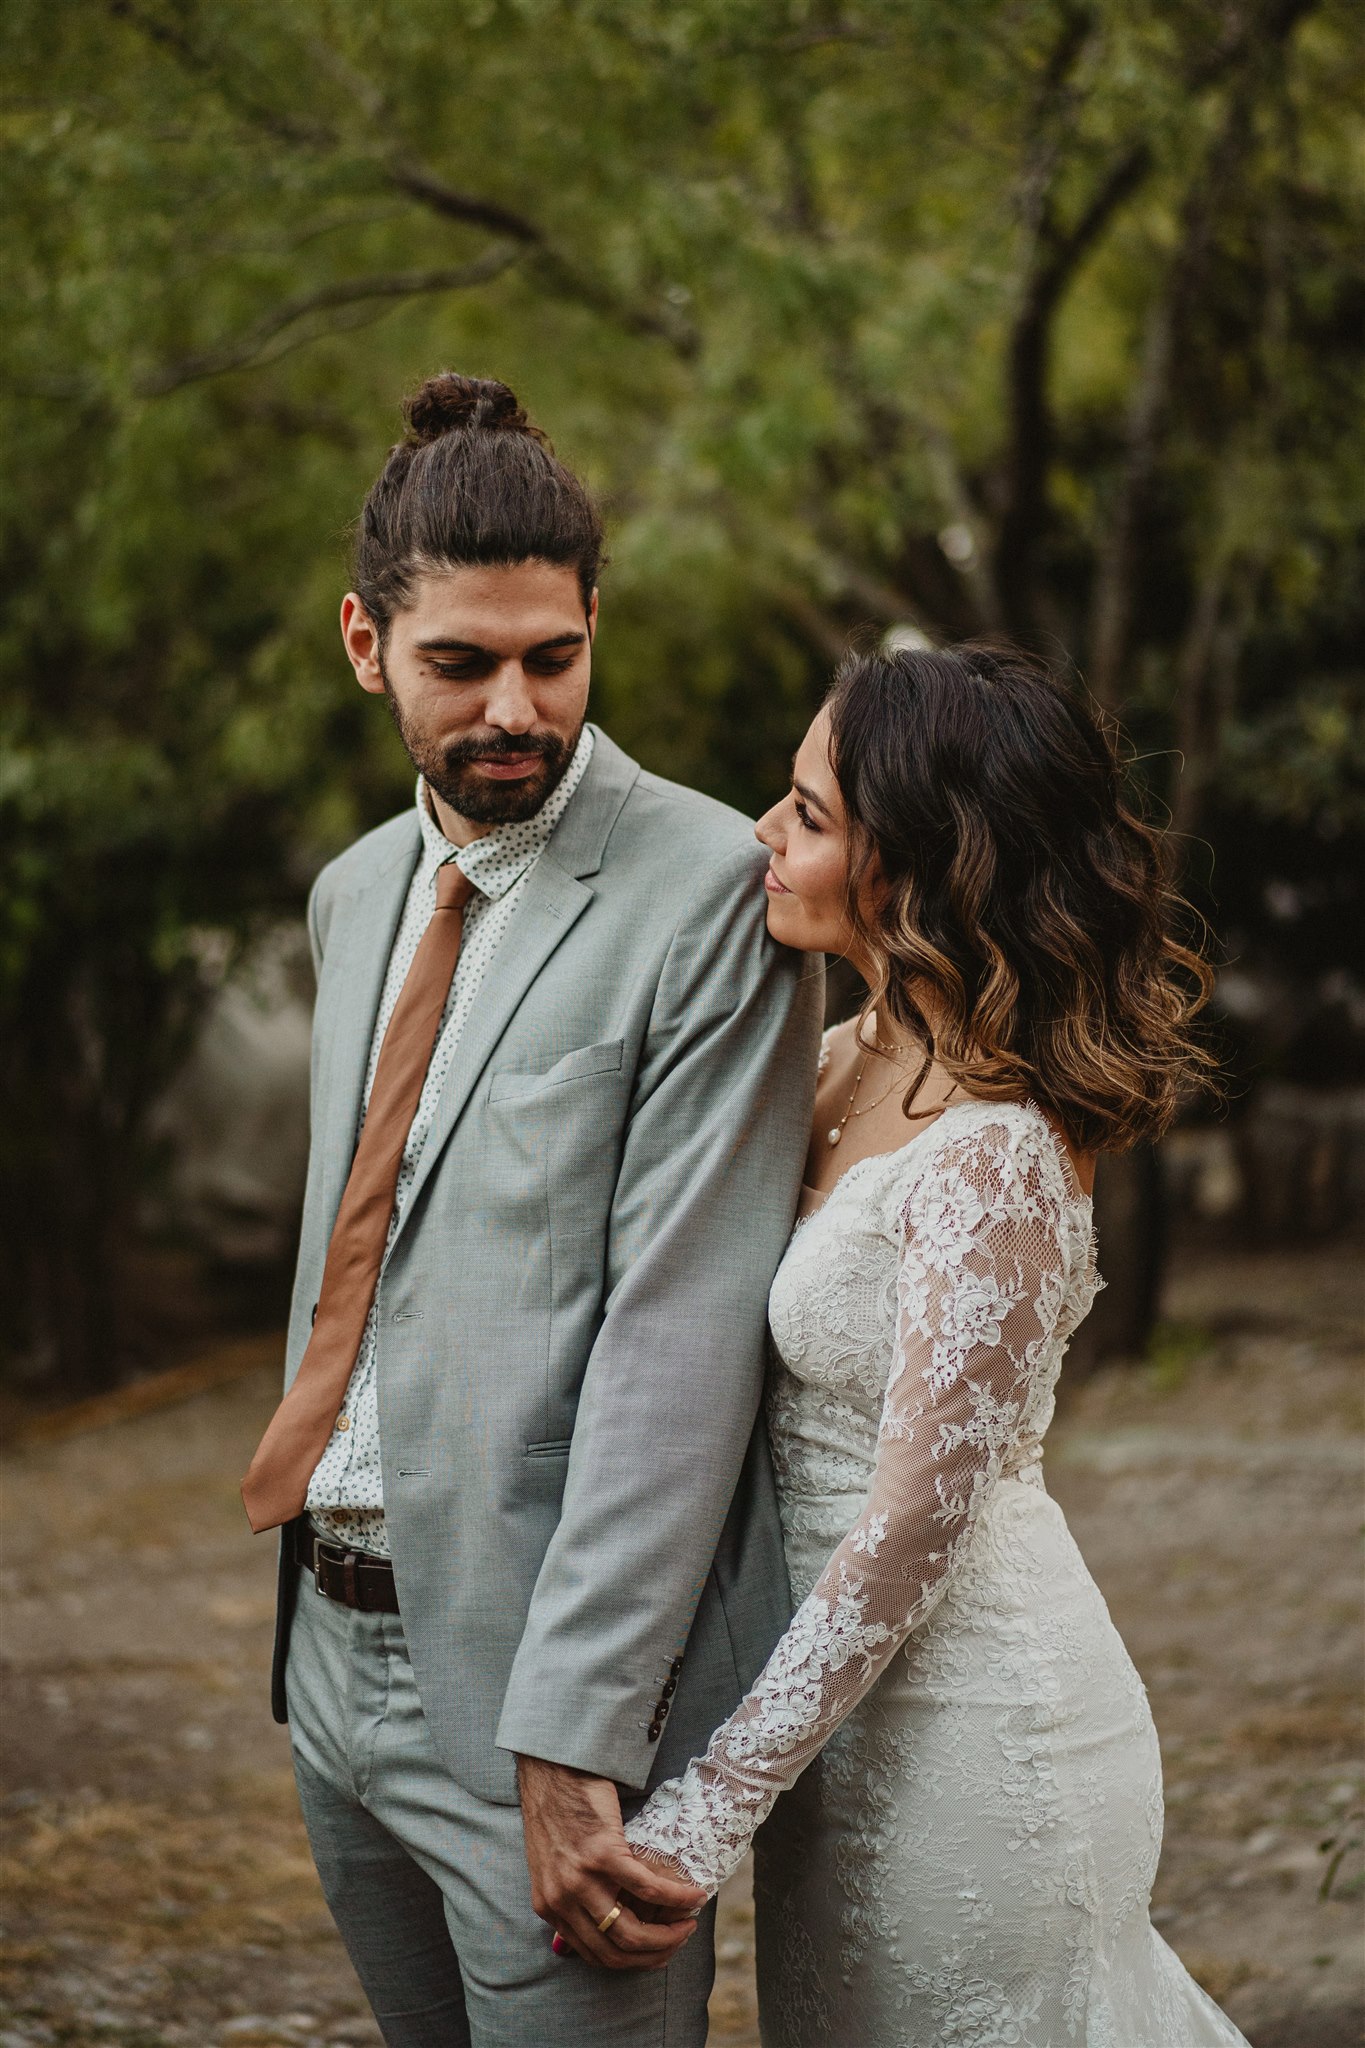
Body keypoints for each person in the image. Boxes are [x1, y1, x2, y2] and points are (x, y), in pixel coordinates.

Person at [241, 370, 824, 2047]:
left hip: (543, 1697)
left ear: (591, 627)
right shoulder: (353, 893)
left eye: (552, 659)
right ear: (367, 646)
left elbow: (682, 1342)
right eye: (460, 664)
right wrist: (309, 1679)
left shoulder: (709, 890)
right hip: (330, 1659)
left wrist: (580, 1742)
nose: (516, 706)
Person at [626, 644, 1250, 2045]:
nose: (762, 838)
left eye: (805, 814)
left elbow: (913, 1522)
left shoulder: (997, 1155)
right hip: (838, 1732)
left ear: (910, 867)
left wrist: (707, 1808)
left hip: (977, 1724)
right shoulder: (839, 1054)